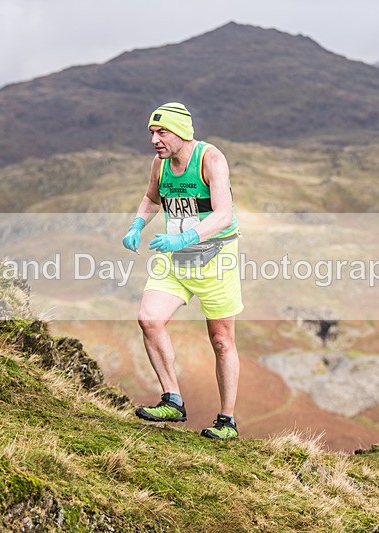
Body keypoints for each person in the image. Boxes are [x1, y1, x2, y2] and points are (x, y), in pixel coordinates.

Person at [121, 102, 243, 440]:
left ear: (181, 132)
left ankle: (227, 421)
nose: (154, 140)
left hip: (216, 259)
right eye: (152, 133)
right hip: (174, 260)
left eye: (162, 132)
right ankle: (172, 399)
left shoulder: (210, 160)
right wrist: (136, 225)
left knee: (221, 341)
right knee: (149, 319)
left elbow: (224, 215)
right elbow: (152, 199)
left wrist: (186, 237)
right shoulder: (160, 165)